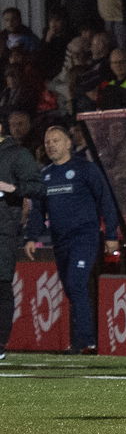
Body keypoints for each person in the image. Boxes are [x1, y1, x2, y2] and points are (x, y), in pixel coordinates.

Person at [24, 125, 118, 354]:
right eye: (47, 141)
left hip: (84, 237)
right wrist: (31, 237)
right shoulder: (45, 175)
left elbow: (106, 200)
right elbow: (37, 210)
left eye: (56, 140)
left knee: (76, 284)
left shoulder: (85, 169)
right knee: (71, 288)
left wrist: (111, 234)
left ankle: (85, 342)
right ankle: (83, 339)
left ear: (68, 143)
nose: (51, 145)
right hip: (61, 240)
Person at [0, 117, 43, 359]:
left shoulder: (16, 154)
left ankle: (0, 345)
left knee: (2, 284)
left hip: (3, 229)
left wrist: (12, 189)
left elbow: (38, 187)